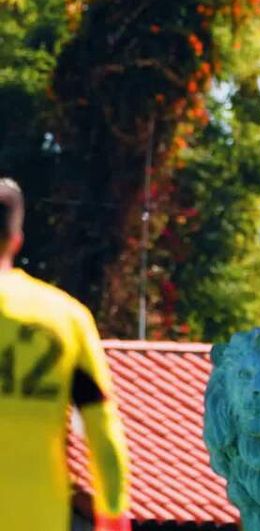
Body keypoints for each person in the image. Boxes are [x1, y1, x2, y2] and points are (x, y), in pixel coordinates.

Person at [0, 178, 131, 530]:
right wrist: (113, 511)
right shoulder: (66, 318)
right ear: (16, 240)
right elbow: (102, 429)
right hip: (37, 514)